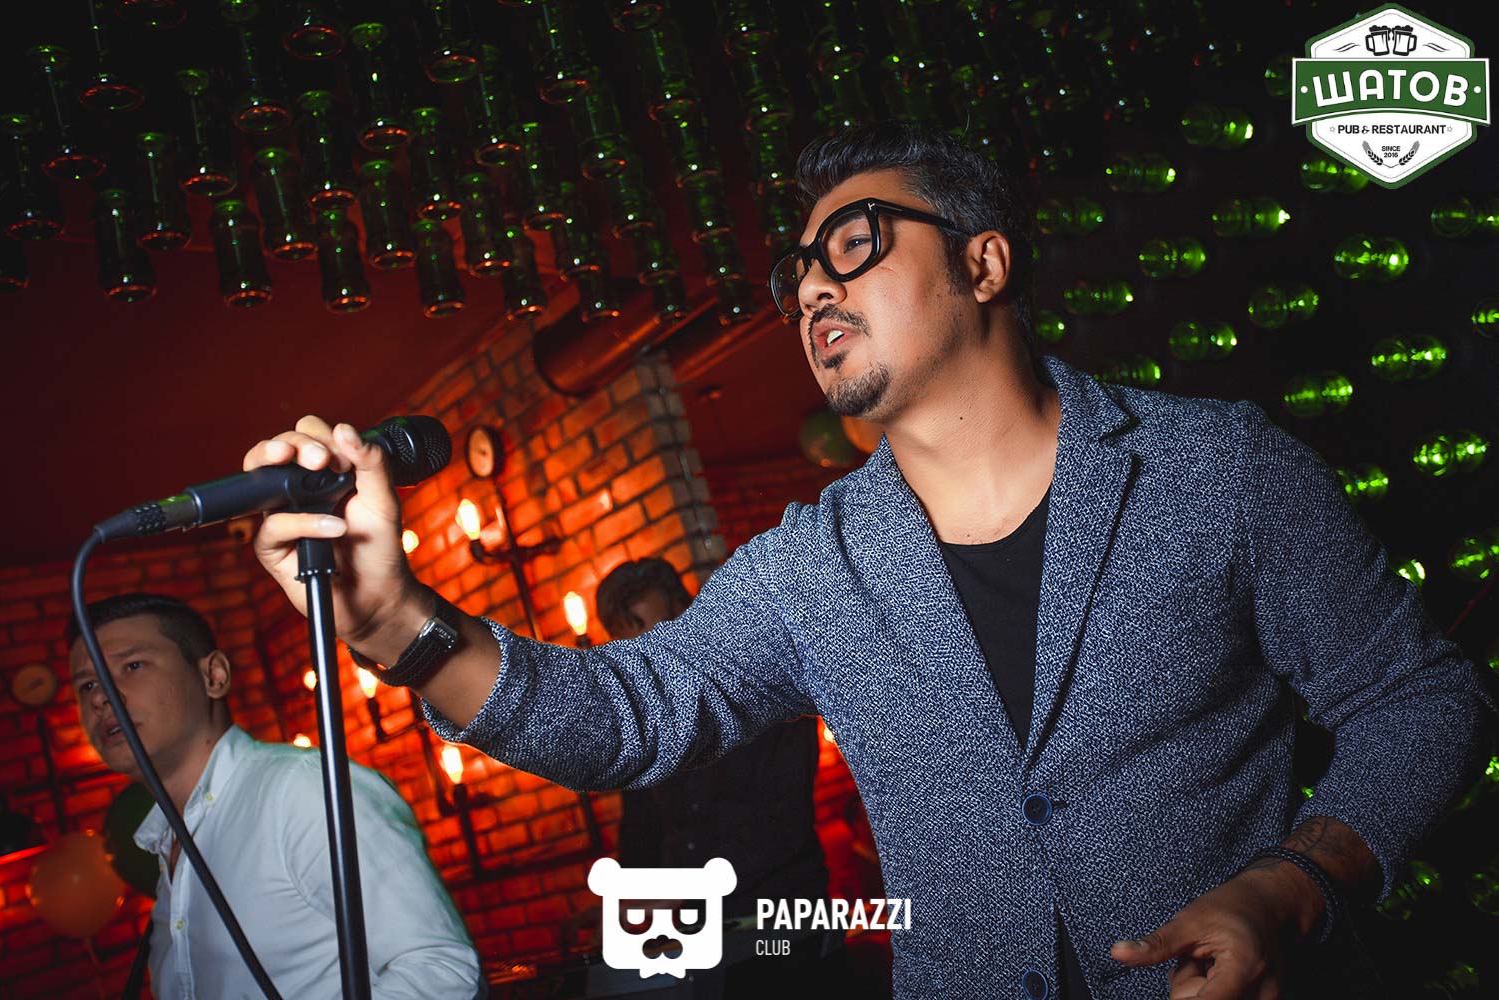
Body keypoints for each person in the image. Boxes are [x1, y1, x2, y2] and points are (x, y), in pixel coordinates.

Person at [241, 122, 1494, 999]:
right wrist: (393, 617)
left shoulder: (1216, 466)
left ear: (982, 262)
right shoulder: (810, 567)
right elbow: (627, 712)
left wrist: (1292, 884)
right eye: (796, 273)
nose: (810, 292)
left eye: (855, 244)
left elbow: (1422, 699)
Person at [67, 593, 484, 1000]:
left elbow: (445, 976)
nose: (101, 696)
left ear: (214, 676)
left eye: (132, 666)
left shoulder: (301, 791)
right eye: (87, 685)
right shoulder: (164, 844)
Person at [596, 558, 840, 994]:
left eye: (647, 632)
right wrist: (627, 899)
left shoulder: (757, 681)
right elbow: (641, 832)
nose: (641, 652)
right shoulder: (647, 721)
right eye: (625, 640)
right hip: (700, 932)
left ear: (684, 612)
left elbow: (784, 823)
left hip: (783, 919)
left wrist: (688, 887)